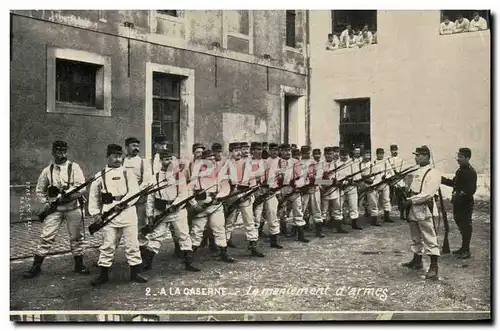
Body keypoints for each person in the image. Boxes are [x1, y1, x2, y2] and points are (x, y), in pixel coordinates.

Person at [24, 140, 90, 279]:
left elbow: (81, 187)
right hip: (55, 209)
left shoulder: (74, 167)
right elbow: (40, 190)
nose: (62, 154)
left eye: (64, 151)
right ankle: (36, 266)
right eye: (59, 151)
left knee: (76, 237)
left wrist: (68, 193)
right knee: (46, 236)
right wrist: (46, 203)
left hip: (73, 207)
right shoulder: (48, 170)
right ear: (53, 152)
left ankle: (79, 265)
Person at [88, 144, 147, 286]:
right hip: (109, 212)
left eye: (119, 156)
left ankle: (135, 273)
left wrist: (124, 203)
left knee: (132, 244)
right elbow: (94, 196)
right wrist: (95, 213)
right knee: (108, 244)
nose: (117, 159)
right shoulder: (100, 175)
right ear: (107, 156)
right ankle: (103, 275)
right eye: (114, 156)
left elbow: (134, 192)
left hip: (127, 211)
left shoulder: (128, 173)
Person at [140, 147, 201, 272]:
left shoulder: (179, 176)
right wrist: (150, 214)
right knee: (156, 236)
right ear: (161, 161)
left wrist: (175, 205)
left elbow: (184, 193)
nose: (169, 162)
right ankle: (147, 263)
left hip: (178, 210)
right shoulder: (155, 177)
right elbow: (150, 197)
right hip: (160, 210)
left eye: (170, 159)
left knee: (183, 234)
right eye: (166, 159)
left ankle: (188, 262)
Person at [188, 149, 235, 263]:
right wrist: (194, 205)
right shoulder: (196, 174)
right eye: (209, 160)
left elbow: (225, 187)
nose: (212, 162)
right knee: (197, 230)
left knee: (219, 228)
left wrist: (219, 197)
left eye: (213, 160)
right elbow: (189, 191)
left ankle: (223, 252)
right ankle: (190, 256)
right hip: (202, 205)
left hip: (216, 203)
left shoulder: (219, 172)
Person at [402, 146, 441, 280]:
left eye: (418, 155)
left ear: (426, 156)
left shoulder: (433, 173)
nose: (416, 157)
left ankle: (434, 267)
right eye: (416, 155)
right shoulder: (418, 170)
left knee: (429, 236)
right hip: (414, 207)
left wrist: (411, 201)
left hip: (424, 207)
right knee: (415, 235)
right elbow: (414, 188)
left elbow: (427, 194)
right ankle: (417, 260)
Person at [224, 142, 265, 257]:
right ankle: (223, 249)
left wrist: (248, 192)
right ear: (230, 152)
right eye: (235, 150)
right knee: (229, 222)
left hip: (246, 195)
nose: (238, 152)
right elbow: (222, 180)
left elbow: (252, 179)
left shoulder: (248, 163)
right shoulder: (226, 164)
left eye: (239, 150)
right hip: (232, 196)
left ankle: (253, 246)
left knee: (249, 221)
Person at [441, 148, 477, 259]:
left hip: (465, 204)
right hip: (457, 203)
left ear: (467, 158)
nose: (458, 159)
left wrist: (461, 194)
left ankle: (466, 250)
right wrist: (442, 179)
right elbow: (454, 183)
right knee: (460, 225)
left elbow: (472, 189)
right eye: (458, 156)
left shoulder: (470, 172)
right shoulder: (460, 170)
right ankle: (463, 247)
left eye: (461, 157)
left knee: (466, 226)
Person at [123, 137, 152, 248]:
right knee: (124, 225)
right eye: (133, 146)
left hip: (139, 198)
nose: (136, 148)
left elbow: (147, 181)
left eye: (137, 146)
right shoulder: (122, 161)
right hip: (124, 199)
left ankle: (142, 250)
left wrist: (135, 193)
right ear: (127, 147)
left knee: (141, 225)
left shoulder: (143, 162)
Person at [277, 144, 309, 242]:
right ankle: (283, 230)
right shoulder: (277, 162)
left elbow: (301, 176)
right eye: (285, 150)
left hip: (294, 189)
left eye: (288, 150)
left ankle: (301, 234)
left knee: (298, 210)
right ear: (281, 151)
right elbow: (273, 177)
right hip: (282, 189)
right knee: (282, 211)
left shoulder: (296, 162)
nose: (287, 152)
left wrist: (297, 185)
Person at [369, 148, 395, 225]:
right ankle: (374, 219)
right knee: (374, 202)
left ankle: (387, 217)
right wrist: (373, 182)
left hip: (385, 184)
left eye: (382, 153)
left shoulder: (386, 162)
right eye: (379, 153)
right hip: (375, 185)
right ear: (376, 154)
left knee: (386, 200)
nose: (381, 155)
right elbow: (370, 175)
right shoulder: (373, 163)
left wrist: (386, 176)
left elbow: (392, 173)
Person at [387, 144, 408, 220]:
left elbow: (404, 170)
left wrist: (400, 175)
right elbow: (387, 171)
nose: (394, 152)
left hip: (400, 180)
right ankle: (387, 215)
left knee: (401, 198)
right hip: (391, 181)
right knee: (388, 198)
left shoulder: (401, 159)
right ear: (390, 151)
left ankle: (402, 214)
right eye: (393, 150)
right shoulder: (388, 160)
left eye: (395, 150)